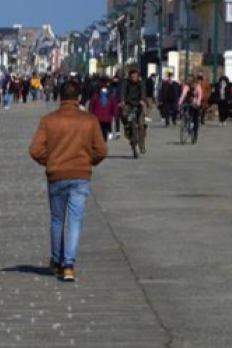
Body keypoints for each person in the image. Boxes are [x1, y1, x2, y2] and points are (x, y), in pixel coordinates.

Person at [29, 80, 107, 282]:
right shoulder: (89, 120)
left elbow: (35, 150)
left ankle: (57, 261)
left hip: (56, 175)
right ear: (79, 97)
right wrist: (88, 161)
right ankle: (69, 265)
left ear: (59, 97)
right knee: (74, 221)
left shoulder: (49, 120)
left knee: (57, 219)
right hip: (80, 175)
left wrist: (51, 161)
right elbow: (101, 150)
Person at [121, 69, 147, 153]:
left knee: (141, 125)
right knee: (124, 114)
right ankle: (127, 128)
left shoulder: (141, 83)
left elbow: (143, 92)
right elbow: (123, 92)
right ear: (130, 76)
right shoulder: (126, 83)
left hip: (138, 104)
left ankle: (142, 144)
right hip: (129, 104)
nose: (134, 78)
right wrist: (122, 101)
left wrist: (142, 100)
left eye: (135, 76)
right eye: (132, 76)